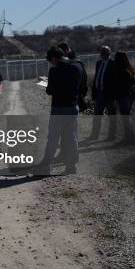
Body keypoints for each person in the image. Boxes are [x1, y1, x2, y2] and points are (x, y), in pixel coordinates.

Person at [36, 47, 83, 175]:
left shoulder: (55, 70)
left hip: (59, 107)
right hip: (73, 106)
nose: (51, 63)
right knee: (71, 137)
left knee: (53, 137)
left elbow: (50, 90)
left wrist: (47, 83)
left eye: (51, 61)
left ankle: (45, 167)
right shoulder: (77, 66)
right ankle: (71, 167)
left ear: (54, 58)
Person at [88, 46, 116, 140]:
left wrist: (113, 94)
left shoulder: (113, 63)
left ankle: (111, 136)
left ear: (109, 53)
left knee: (111, 116)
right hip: (99, 93)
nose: (102, 54)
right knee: (97, 115)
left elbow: (115, 80)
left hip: (109, 94)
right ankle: (94, 135)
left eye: (104, 52)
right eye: (101, 52)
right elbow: (97, 77)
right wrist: (94, 93)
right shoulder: (98, 63)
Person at [112, 51, 135, 144]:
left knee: (126, 118)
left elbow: (119, 86)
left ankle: (130, 139)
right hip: (129, 96)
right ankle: (130, 138)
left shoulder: (121, 71)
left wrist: (116, 97)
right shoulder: (129, 69)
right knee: (127, 117)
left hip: (123, 97)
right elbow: (132, 83)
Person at [58, 42, 88, 111]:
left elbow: (83, 79)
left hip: (75, 93)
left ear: (66, 51)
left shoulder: (73, 61)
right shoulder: (75, 59)